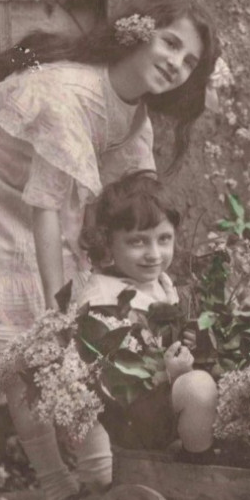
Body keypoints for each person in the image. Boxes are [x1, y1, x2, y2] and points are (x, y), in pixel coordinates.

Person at [0, 0, 218, 500]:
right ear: (137, 32)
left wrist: (161, 276)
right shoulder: (67, 97)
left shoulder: (134, 115)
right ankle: (63, 493)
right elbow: (45, 213)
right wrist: (61, 314)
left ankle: (102, 478)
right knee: (34, 344)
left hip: (41, 199)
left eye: (190, 60)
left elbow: (140, 200)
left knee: (74, 320)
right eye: (170, 42)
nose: (177, 63)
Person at [79, 170, 218, 455]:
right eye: (137, 241)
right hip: (135, 420)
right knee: (199, 387)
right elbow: (116, 385)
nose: (154, 253)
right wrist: (172, 372)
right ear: (108, 242)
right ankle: (201, 468)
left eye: (164, 239)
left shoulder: (158, 283)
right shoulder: (103, 299)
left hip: (165, 402)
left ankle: (207, 445)